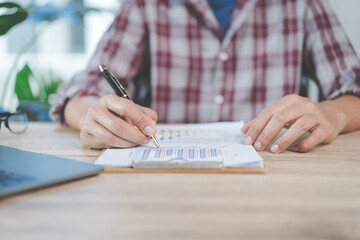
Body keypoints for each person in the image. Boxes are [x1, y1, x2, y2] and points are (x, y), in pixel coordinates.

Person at [51, 0, 360, 153]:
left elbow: (354, 85)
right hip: (162, 186)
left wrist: (332, 113)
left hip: (276, 180)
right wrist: (92, 115)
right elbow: (83, 88)